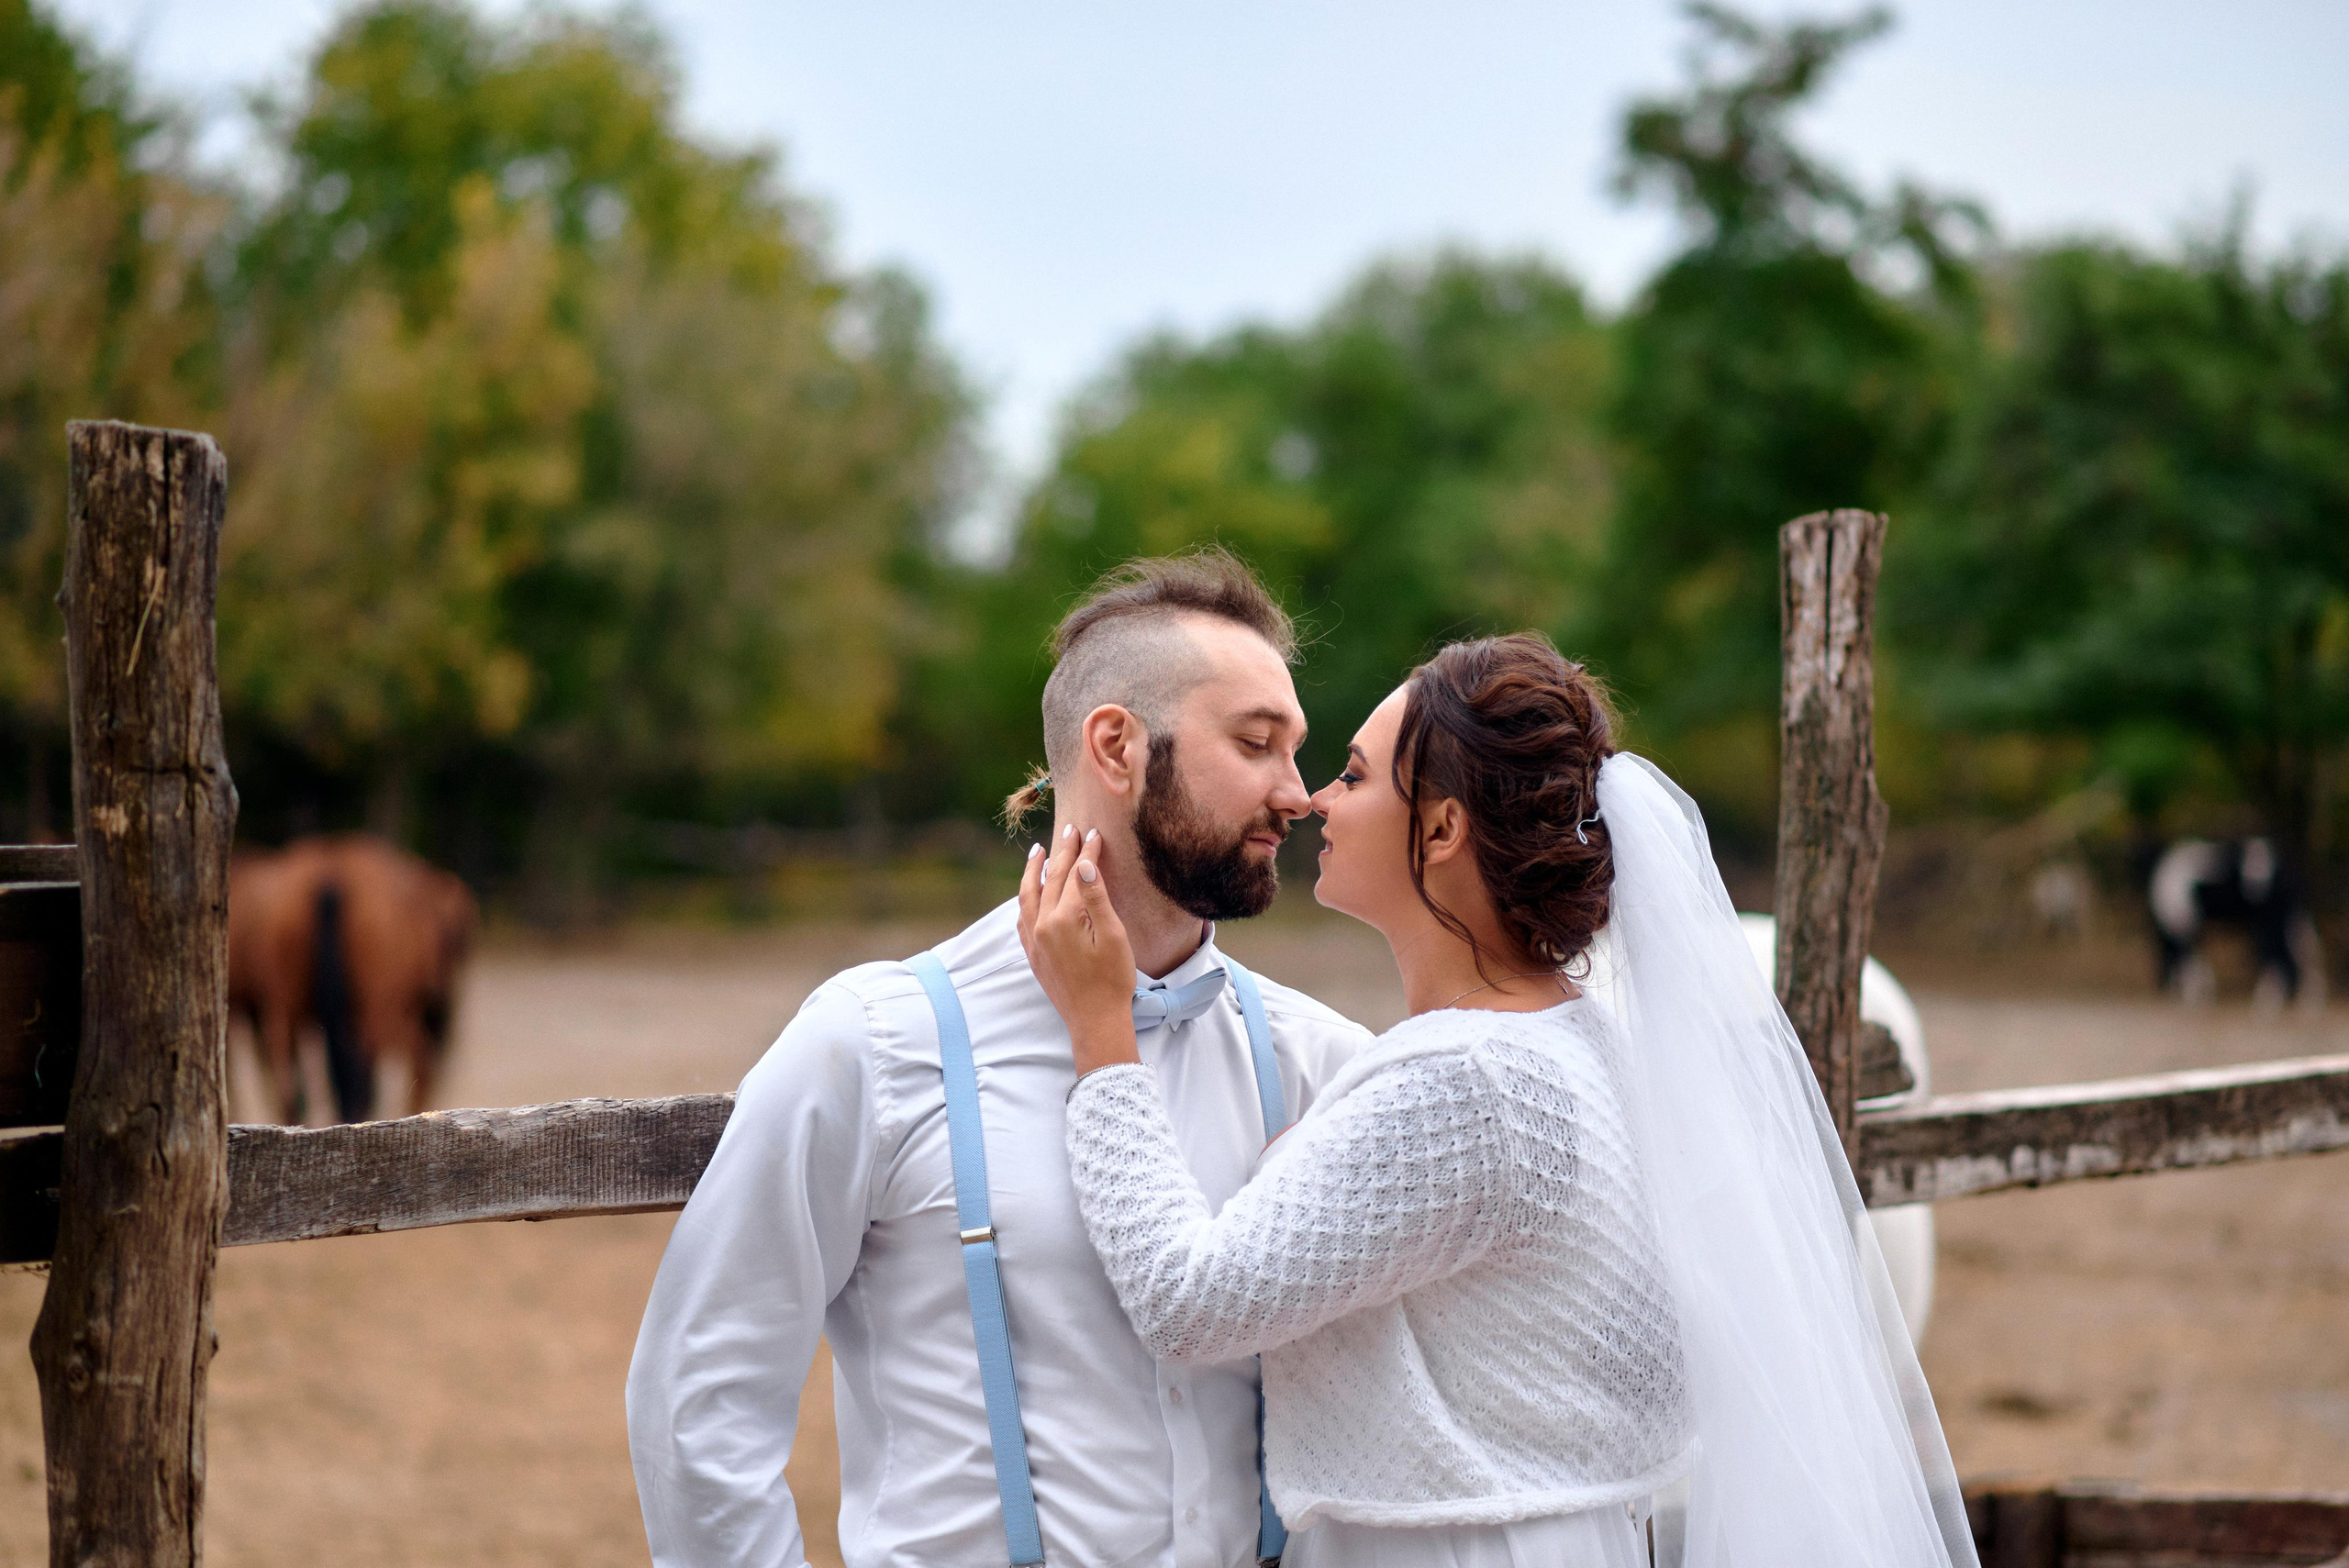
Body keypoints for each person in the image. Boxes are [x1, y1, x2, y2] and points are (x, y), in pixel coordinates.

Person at [1025, 634, 1982, 1568]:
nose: (1315, 799)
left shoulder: (1464, 1082)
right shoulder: (1579, 1043)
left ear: (1441, 829)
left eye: (1353, 776)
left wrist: (1102, 1028)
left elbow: (1187, 1303)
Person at [627, 550, 1371, 1568]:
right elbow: (702, 1390)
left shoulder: (1320, 1057)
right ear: (1116, 745)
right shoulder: (875, 1042)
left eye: (1297, 751)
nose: (1297, 793)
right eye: (1255, 743)